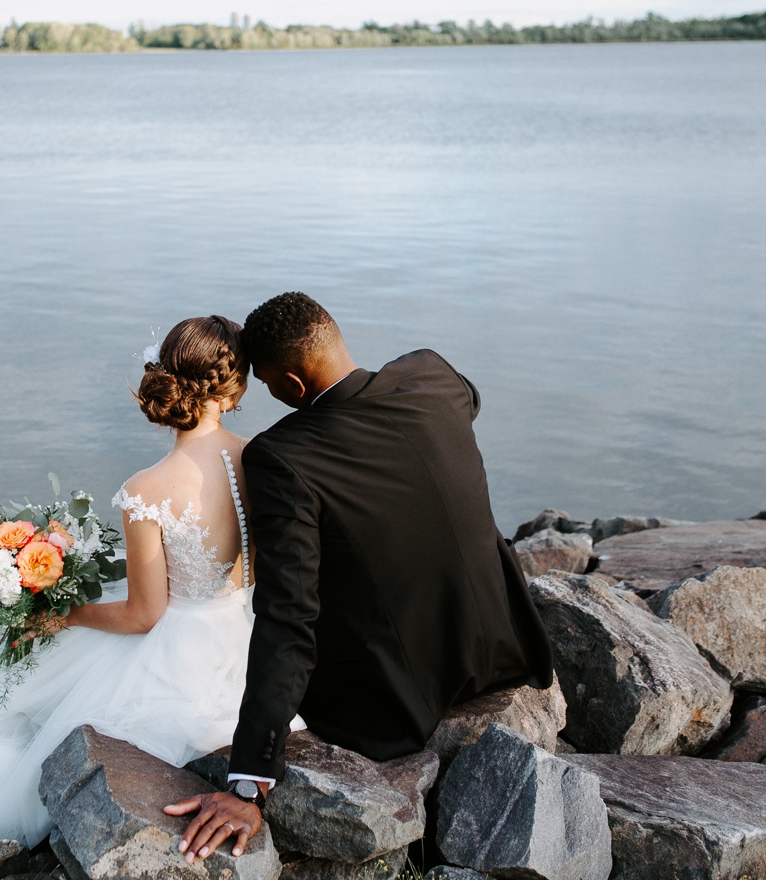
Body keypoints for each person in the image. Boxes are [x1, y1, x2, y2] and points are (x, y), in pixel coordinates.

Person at [0, 315, 303, 848]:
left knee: (53, 650)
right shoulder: (264, 456)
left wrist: (64, 616)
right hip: (250, 640)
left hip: (181, 656)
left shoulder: (149, 488)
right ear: (236, 389)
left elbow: (144, 615)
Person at [166, 292, 554, 864]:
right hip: (502, 639)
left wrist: (249, 780)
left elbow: (288, 616)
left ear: (294, 387)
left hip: (400, 697)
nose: (273, 399)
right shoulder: (432, 375)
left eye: (272, 387)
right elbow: (470, 400)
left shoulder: (281, 457)